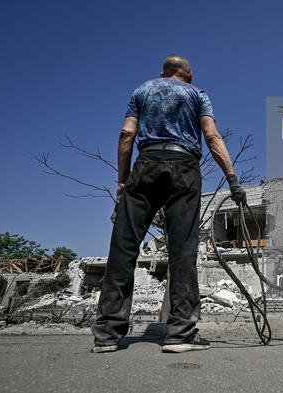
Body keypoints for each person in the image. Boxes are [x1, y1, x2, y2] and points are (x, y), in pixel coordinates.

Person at [91, 54, 247, 353]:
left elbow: (126, 134)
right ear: (189, 76)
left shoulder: (142, 91)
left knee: (123, 249)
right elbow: (212, 136)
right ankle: (180, 335)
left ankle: (107, 336)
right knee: (182, 250)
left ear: (163, 75)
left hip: (144, 164)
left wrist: (123, 183)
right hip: (184, 166)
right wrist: (232, 179)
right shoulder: (198, 94)